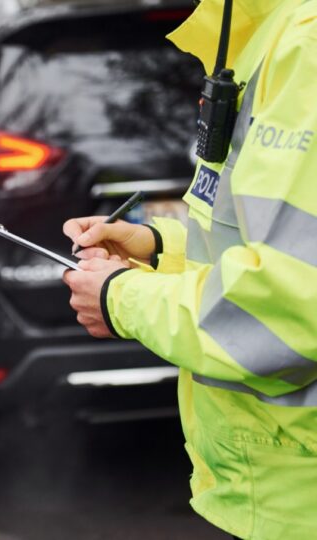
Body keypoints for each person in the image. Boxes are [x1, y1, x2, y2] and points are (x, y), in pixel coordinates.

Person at [61, 1, 317, 539]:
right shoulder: (265, 34)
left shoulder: (305, 45)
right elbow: (268, 240)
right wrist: (156, 247)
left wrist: (121, 298)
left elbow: (292, 304)